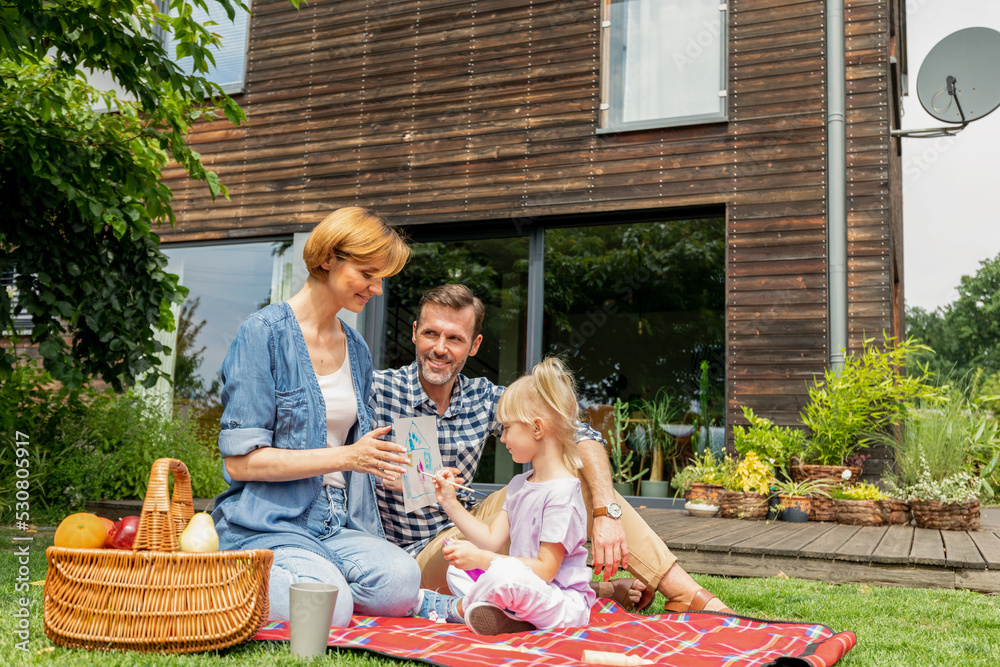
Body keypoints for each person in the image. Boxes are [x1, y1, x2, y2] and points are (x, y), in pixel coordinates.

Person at [372, 284, 733, 614]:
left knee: (572, 474)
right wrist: (373, 469)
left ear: (475, 345)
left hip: (471, 532)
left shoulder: (481, 396)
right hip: (414, 557)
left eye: (454, 338)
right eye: (431, 333)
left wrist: (606, 511)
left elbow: (577, 432)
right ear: (415, 330)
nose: (440, 348)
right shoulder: (377, 390)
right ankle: (598, 590)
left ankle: (685, 592)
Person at [211, 207, 420, 627]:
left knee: (401, 580)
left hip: (334, 521)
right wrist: (346, 458)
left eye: (382, 277)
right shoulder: (263, 333)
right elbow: (240, 463)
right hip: (266, 522)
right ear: (329, 259)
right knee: (331, 609)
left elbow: (355, 452)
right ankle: (229, 575)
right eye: (368, 273)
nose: (377, 289)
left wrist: (386, 468)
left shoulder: (356, 348)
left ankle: (317, 573)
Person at [413, 357, 596, 635]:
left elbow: (546, 570)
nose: (502, 437)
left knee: (501, 573)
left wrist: (483, 559)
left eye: (508, 428)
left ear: (536, 428)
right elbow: (490, 538)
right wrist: (450, 503)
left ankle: (457, 609)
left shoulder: (562, 494)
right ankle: (509, 617)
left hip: (561, 602)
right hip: (523, 588)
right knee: (459, 571)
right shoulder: (520, 484)